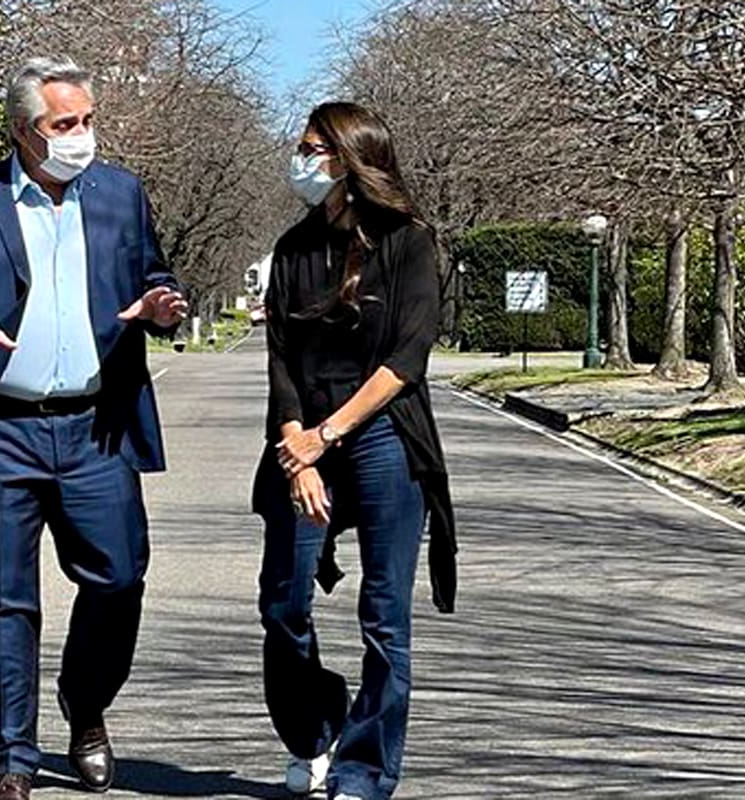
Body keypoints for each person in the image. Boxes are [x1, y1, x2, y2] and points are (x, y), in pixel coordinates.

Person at [0, 56, 187, 800]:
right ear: (26, 131)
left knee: (119, 580)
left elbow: (155, 272)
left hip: (97, 427)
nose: (82, 136)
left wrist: (162, 303)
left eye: (88, 120)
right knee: (4, 602)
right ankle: (12, 763)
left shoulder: (120, 194)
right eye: (66, 125)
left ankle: (83, 705)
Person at [251, 102, 457, 800]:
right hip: (301, 440)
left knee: (384, 612)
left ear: (350, 160)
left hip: (382, 435)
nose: (301, 159)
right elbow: (279, 359)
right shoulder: (293, 249)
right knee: (283, 602)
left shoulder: (408, 243)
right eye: (302, 145)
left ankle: (365, 768)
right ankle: (315, 727)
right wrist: (297, 448)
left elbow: (405, 361)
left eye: (314, 148)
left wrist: (327, 435)